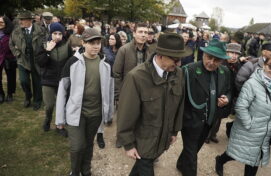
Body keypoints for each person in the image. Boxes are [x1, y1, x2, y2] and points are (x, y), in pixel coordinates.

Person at [117, 33, 191, 176]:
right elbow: (126, 114)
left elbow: (179, 104)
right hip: (143, 141)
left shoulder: (179, 74)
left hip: (163, 139)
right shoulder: (136, 77)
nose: (179, 64)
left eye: (180, 60)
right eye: (175, 60)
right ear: (160, 55)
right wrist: (128, 144)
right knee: (145, 165)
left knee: (142, 166)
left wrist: (175, 131)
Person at [215, 53, 271, 176]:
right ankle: (220, 160)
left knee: (254, 160)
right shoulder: (252, 83)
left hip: (266, 132)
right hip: (249, 129)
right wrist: (250, 124)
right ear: (264, 65)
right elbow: (241, 106)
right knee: (236, 153)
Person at [55, 28, 113, 176]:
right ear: (83, 43)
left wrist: (108, 114)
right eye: (91, 43)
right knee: (77, 146)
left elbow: (110, 91)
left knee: (88, 145)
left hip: (95, 114)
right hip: (76, 113)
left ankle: (86, 171)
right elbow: (62, 90)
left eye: (98, 43)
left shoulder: (106, 64)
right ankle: (74, 172)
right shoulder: (73, 62)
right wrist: (60, 118)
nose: (96, 46)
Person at [176, 39, 232, 176]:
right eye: (209, 57)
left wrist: (227, 98)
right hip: (190, 121)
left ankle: (181, 163)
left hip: (209, 121)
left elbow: (229, 90)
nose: (212, 62)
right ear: (203, 55)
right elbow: (177, 97)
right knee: (191, 154)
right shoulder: (189, 70)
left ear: (222, 61)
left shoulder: (225, 72)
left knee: (194, 149)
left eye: (217, 60)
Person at [35, 22, 73, 136]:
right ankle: (47, 119)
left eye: (60, 34)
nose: (57, 36)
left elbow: (71, 61)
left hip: (62, 80)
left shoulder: (67, 45)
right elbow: (40, 63)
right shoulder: (43, 44)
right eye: (55, 33)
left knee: (61, 105)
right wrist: (47, 51)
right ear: (51, 33)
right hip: (48, 79)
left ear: (63, 34)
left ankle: (59, 126)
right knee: (49, 104)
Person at [206, 43, 242, 143]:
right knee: (213, 116)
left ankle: (213, 134)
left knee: (220, 117)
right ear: (226, 53)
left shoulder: (237, 65)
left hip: (229, 95)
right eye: (231, 53)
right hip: (218, 94)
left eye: (236, 53)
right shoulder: (220, 63)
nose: (234, 56)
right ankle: (207, 135)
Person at [9, 11, 45, 110]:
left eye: (22, 19)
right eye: (19, 19)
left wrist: (42, 54)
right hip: (22, 60)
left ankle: (37, 101)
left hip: (36, 60)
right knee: (23, 81)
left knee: (37, 82)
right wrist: (17, 54)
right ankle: (28, 96)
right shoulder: (16, 31)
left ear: (29, 20)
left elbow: (45, 43)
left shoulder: (41, 30)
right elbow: (11, 44)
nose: (20, 21)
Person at [0, 16, 16, 103]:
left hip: (9, 57)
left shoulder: (11, 33)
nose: (0, 24)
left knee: (11, 77)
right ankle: (1, 94)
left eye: (2, 22)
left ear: (6, 23)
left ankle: (10, 94)